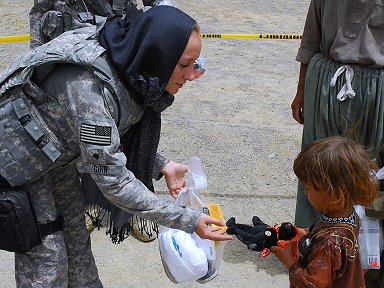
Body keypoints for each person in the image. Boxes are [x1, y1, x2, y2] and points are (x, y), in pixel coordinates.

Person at [0, 5, 232, 287]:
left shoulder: (131, 68)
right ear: (157, 55)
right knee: (49, 258)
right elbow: (114, 182)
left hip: (55, 157)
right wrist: (186, 219)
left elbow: (104, 138)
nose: (192, 75)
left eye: (196, 63)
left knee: (77, 243)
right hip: (18, 165)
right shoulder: (90, 90)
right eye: (184, 65)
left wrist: (161, 164)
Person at [271, 136, 379, 287]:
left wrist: (288, 261)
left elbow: (312, 284)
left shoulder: (329, 242)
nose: (305, 192)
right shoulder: (348, 216)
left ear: (333, 192)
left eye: (308, 188)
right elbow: (325, 230)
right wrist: (305, 234)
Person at [29, 0, 162, 49]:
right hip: (69, 50)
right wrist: (35, 53)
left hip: (120, 44)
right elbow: (38, 14)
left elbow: (159, 4)